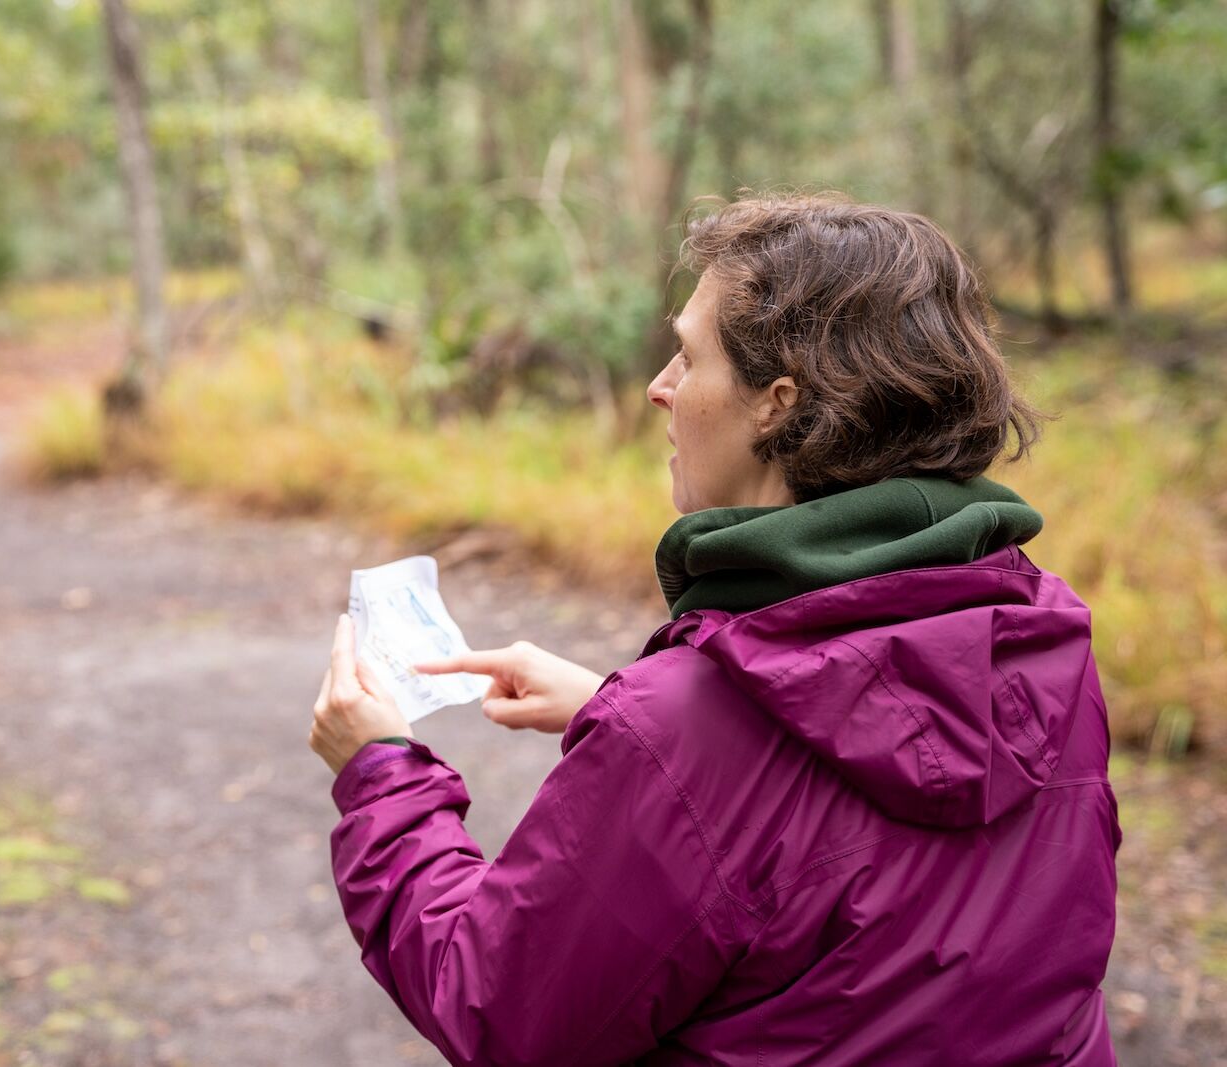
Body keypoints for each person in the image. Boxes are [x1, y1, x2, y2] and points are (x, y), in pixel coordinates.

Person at [307, 193, 1121, 1066]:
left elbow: (496, 1006)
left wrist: (382, 771)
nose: (659, 385)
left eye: (689, 356)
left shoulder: (684, 729)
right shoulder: (1036, 638)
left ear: (778, 404)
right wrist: (615, 712)